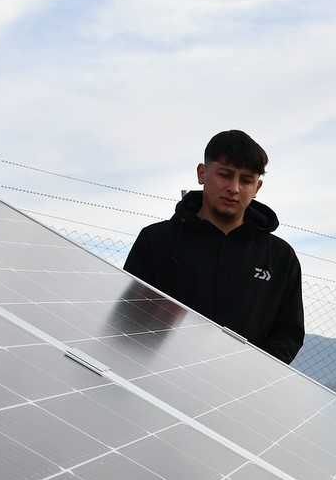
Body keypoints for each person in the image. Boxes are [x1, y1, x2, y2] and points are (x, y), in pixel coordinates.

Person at [124, 130, 304, 362]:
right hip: (159, 378)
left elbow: (289, 332)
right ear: (202, 173)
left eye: (246, 180)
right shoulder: (157, 240)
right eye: (225, 174)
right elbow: (129, 317)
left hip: (241, 388)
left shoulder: (279, 256)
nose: (234, 187)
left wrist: (253, 372)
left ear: (257, 187)